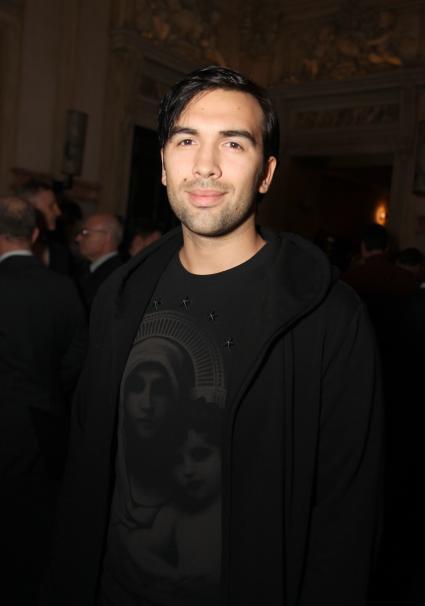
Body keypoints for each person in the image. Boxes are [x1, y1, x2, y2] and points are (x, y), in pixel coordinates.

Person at [41, 66, 383, 606]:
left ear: (266, 173)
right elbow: (87, 460)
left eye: (233, 143)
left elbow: (347, 510)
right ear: (163, 165)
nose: (205, 165)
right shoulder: (118, 298)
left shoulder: (328, 317)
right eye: (186, 141)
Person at [0, 196, 87, 604]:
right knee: (30, 531)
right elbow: (78, 354)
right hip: (42, 424)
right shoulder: (61, 286)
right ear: (34, 234)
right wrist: (50, 387)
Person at [16, 178, 73, 274]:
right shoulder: (8, 247)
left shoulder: (60, 252)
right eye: (51, 206)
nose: (58, 212)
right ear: (30, 210)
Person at [74, 212, 125, 313]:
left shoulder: (116, 276)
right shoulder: (85, 268)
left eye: (85, 233)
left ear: (107, 238)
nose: (78, 238)